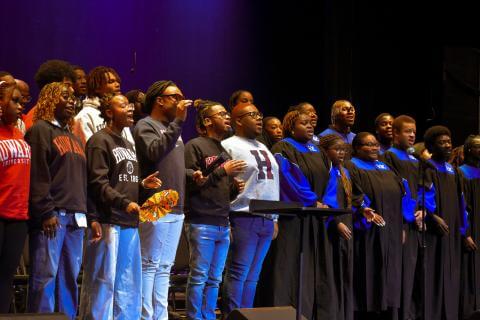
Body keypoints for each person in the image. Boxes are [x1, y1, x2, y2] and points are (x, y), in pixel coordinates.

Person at [79, 94, 161, 319]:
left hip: (129, 221)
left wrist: (142, 185)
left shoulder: (127, 142)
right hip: (109, 220)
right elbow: (98, 183)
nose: (130, 108)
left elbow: (123, 180)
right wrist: (124, 203)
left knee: (128, 282)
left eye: (130, 105)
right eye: (123, 105)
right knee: (104, 281)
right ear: (108, 112)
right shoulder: (99, 140)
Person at [265, 110, 335, 320]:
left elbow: (332, 179)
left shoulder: (318, 150)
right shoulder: (283, 148)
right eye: (303, 123)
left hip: (317, 217)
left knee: (315, 268)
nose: (309, 126)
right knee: (289, 267)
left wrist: (328, 204)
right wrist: (313, 201)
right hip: (294, 217)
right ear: (291, 127)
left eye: (310, 123)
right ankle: (286, 313)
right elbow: (288, 178)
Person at [25, 82, 87, 320]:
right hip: (53, 216)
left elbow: (80, 180)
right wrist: (45, 211)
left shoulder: (72, 136)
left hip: (75, 216)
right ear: (50, 100)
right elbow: (37, 174)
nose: (71, 101)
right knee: (45, 275)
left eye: (73, 97)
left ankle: (67, 317)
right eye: (65, 96)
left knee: (69, 276)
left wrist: (87, 215)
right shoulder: (40, 130)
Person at [134, 80, 193, 320]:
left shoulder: (173, 130)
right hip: (154, 203)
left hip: (176, 206)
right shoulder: (145, 125)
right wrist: (178, 121)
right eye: (175, 97)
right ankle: (146, 316)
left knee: (165, 268)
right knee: (149, 264)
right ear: (160, 100)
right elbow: (154, 153)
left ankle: (160, 316)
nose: (181, 101)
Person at [184, 99, 246, 320]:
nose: (227, 117)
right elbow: (192, 182)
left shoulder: (223, 150)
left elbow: (220, 190)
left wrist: (235, 190)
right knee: (200, 275)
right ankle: (194, 317)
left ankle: (208, 316)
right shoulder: (194, 145)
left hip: (222, 221)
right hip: (201, 221)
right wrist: (222, 172)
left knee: (215, 278)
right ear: (208, 121)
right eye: (222, 114)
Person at [221, 103, 279, 315]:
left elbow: (271, 184)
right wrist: (225, 219)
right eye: (252, 115)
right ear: (238, 120)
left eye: (259, 114)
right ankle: (232, 316)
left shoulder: (263, 146)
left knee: (253, 276)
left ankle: (247, 315)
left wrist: (275, 218)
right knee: (238, 273)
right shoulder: (228, 145)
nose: (258, 119)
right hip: (243, 216)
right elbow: (222, 184)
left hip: (265, 218)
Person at [345, 132, 406, 320]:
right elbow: (353, 193)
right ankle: (365, 313)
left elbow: (402, 193)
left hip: (391, 228)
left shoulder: (385, 166)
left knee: (389, 275)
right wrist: (364, 208)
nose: (374, 148)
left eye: (375, 144)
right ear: (356, 148)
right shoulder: (351, 165)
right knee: (368, 269)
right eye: (368, 145)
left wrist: (402, 225)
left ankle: (386, 311)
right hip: (368, 229)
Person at [421, 125, 466, 320]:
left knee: (451, 272)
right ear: (432, 146)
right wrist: (432, 216)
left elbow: (462, 201)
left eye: (449, 142)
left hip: (453, 228)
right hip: (435, 229)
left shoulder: (453, 170)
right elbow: (423, 194)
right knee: (435, 271)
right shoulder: (427, 167)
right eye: (442, 142)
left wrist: (464, 230)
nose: (447, 145)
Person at [382, 115, 423, 320]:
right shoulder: (389, 157)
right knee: (400, 274)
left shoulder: (416, 160)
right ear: (395, 133)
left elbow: (425, 188)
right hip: (401, 223)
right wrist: (407, 218)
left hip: (417, 222)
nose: (412, 135)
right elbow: (396, 189)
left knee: (413, 274)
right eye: (407, 131)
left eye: (414, 131)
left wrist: (424, 210)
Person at [0, 78, 31, 313]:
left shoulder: (19, 134)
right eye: (15, 101)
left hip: (18, 216)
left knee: (6, 278)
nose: (21, 106)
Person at [319, 134, 354, 320]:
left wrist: (363, 209)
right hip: (330, 226)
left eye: (344, 150)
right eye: (337, 149)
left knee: (345, 271)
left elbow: (351, 198)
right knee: (331, 270)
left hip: (346, 224)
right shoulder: (326, 171)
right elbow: (327, 200)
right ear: (325, 151)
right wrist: (336, 221)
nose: (341, 153)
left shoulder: (345, 171)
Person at [74, 66, 134, 146]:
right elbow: (88, 150)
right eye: (111, 82)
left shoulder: (120, 114)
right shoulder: (84, 116)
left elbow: (131, 147)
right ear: (97, 88)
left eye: (117, 81)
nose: (117, 84)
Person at [459, 134, 480, 319]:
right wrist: (465, 234)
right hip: (471, 230)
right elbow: (461, 207)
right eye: (477, 146)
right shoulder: (462, 173)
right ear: (468, 150)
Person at [24, 60, 76, 130]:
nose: (72, 90)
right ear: (51, 88)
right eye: (67, 85)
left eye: (71, 86)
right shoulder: (35, 117)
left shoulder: (63, 117)